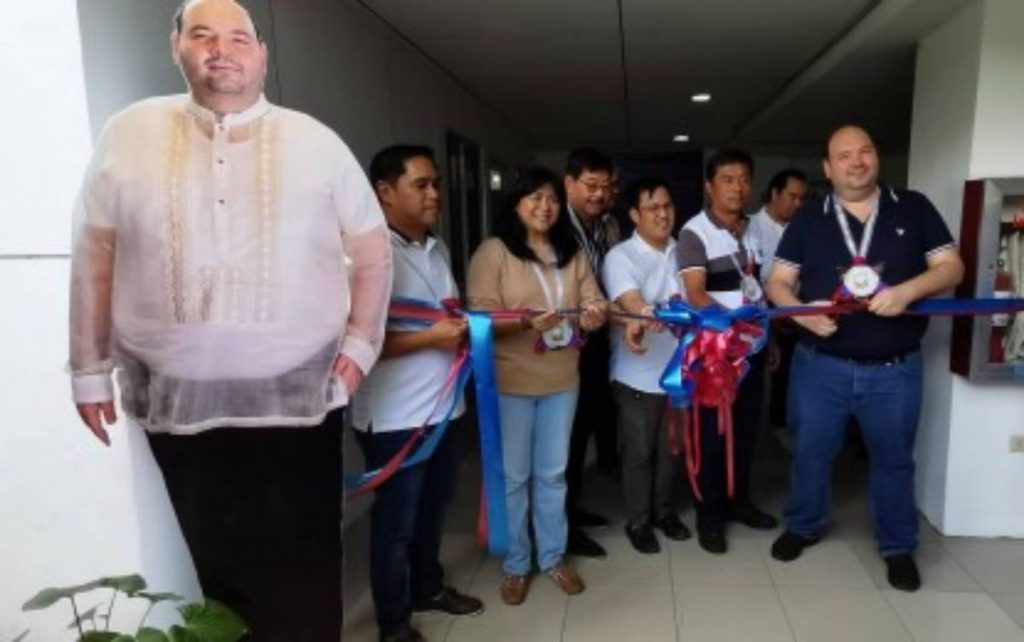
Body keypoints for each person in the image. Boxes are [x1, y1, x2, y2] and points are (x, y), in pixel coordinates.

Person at [68, 1, 392, 638]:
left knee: (306, 566)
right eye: (203, 35)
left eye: (239, 38)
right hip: (179, 408)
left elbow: (372, 251)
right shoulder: (129, 132)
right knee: (218, 574)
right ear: (176, 47)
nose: (222, 50)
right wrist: (87, 368)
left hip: (298, 404)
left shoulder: (315, 141)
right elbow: (95, 249)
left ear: (262, 55)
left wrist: (358, 350)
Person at [766, 125, 963, 592]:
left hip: (895, 369)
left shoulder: (912, 207)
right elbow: (777, 283)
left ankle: (898, 546)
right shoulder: (809, 218)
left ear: (876, 157)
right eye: (844, 156)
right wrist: (800, 315)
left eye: (865, 151)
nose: (857, 162)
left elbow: (951, 266)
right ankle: (803, 524)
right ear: (828, 168)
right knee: (809, 452)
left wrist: (908, 291)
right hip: (820, 366)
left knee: (894, 460)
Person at [352, 145, 483, 642]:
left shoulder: (437, 247)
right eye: (421, 185)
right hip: (394, 419)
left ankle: (429, 586)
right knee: (396, 524)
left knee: (434, 509)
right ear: (385, 193)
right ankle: (393, 624)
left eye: (436, 185)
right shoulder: (367, 256)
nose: (434, 194)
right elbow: (355, 341)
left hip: (444, 408)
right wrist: (432, 338)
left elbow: (446, 316)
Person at [467, 167, 606, 606]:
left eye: (549, 198)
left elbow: (594, 297)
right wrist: (525, 321)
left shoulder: (572, 251)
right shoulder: (494, 253)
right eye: (533, 197)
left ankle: (552, 558)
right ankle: (516, 564)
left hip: (563, 378)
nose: (544, 206)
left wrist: (594, 312)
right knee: (514, 477)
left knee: (553, 474)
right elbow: (479, 317)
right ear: (515, 204)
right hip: (510, 380)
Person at [676, 148, 779, 555]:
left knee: (748, 430)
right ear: (709, 185)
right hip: (717, 354)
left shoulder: (754, 230)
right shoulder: (694, 232)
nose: (738, 188)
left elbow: (763, 289)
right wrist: (737, 330)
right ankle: (710, 515)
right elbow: (696, 294)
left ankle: (740, 503)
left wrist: (767, 338)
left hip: (752, 348)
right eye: (728, 179)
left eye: (744, 179)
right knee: (712, 436)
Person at [602, 179, 691, 554]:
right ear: (635, 215)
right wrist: (645, 312)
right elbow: (630, 299)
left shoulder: (685, 251)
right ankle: (639, 520)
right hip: (637, 372)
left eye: (667, 205)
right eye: (653, 207)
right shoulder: (621, 256)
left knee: (671, 449)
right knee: (639, 452)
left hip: (680, 371)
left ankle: (664, 512)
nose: (663, 213)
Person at [562, 147, 620, 558]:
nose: (599, 194)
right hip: (561, 344)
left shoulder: (607, 226)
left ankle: (571, 508)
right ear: (569, 184)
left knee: (583, 429)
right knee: (563, 438)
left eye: (605, 186)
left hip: (598, 341)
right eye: (590, 185)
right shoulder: (554, 227)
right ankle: (558, 525)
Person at [748, 169, 809, 443]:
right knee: (758, 376)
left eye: (802, 199)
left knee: (793, 373)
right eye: (792, 196)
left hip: (799, 309)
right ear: (774, 194)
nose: (798, 204)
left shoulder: (803, 228)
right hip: (763, 310)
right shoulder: (750, 227)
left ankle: (785, 423)